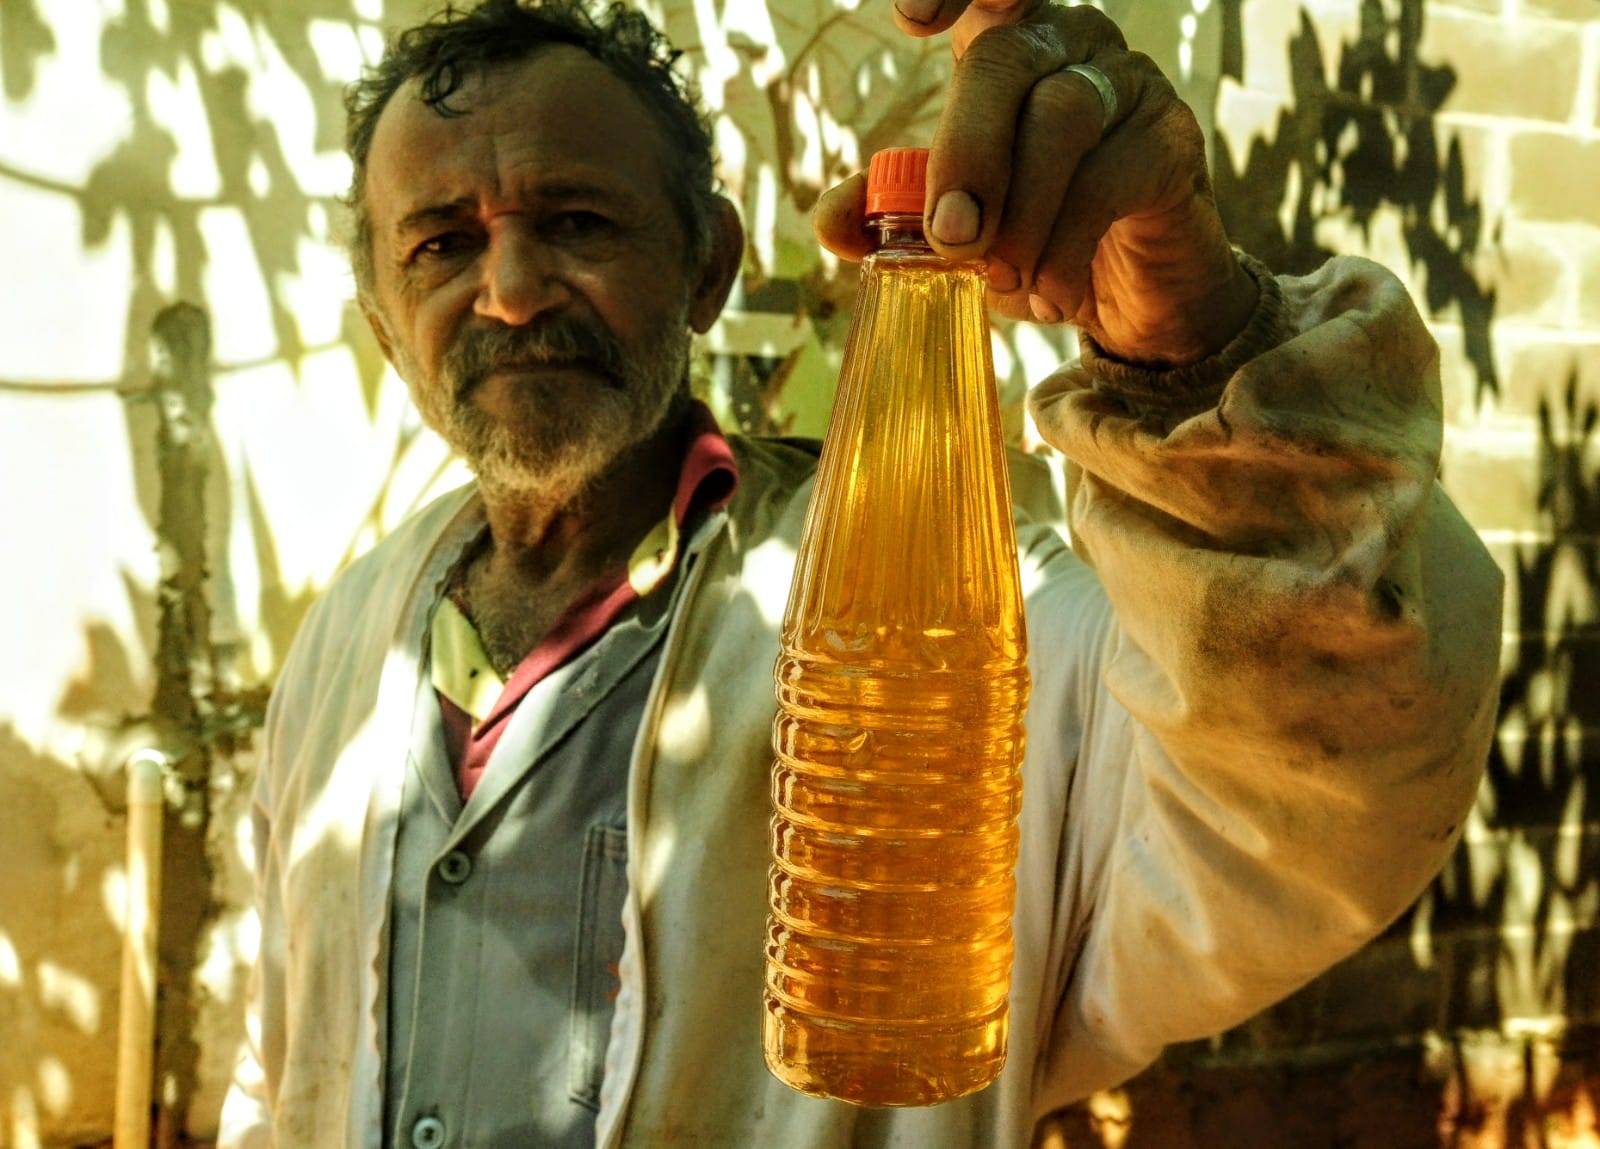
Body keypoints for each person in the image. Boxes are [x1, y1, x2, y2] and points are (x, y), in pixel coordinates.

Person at [217, 0, 1503, 1145]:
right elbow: (282, 1062)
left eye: (575, 220)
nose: (507, 289)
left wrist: (1193, 339)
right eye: (440, 243)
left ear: (707, 266)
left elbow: (1327, 766)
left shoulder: (945, 599)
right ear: (386, 322)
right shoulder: (351, 635)